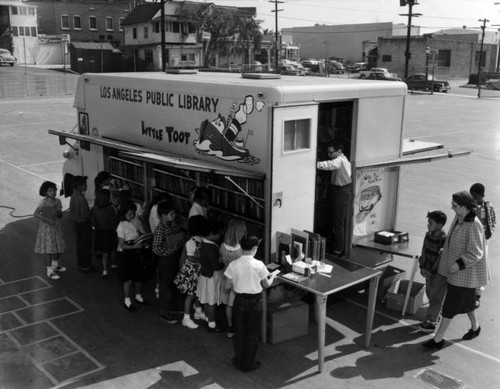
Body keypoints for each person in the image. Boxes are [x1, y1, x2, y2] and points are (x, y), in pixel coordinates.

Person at [423, 191, 490, 350]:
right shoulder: (458, 217)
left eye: (455, 205)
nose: (451, 207)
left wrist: (458, 264)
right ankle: (475, 327)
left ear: (465, 207)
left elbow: (476, 252)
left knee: (449, 307)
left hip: (462, 274)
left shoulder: (474, 224)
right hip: (449, 269)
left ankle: (438, 339)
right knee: (468, 304)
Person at [224, 235, 277, 372]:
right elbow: (266, 284)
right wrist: (273, 277)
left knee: (239, 331)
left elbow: (226, 285)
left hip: (239, 301)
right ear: (255, 248)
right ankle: (249, 363)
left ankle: (238, 360)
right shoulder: (259, 265)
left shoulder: (233, 264)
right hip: (255, 302)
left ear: (241, 247)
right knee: (253, 333)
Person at [316, 139, 352, 256]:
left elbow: (331, 165)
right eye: (328, 153)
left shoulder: (340, 160)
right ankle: (335, 245)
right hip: (337, 191)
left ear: (339, 151)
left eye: (331, 153)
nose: (329, 155)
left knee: (338, 222)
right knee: (334, 220)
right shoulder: (343, 159)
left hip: (341, 192)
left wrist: (316, 164)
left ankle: (338, 249)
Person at [152, 201, 185, 324]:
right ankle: (164, 311)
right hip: (166, 260)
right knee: (165, 286)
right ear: (163, 215)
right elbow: (155, 248)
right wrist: (170, 250)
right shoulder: (160, 229)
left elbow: (179, 236)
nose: (174, 216)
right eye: (171, 214)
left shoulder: (173, 225)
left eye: (174, 213)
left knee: (174, 283)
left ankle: (173, 305)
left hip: (175, 258)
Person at [174, 215, 209, 329]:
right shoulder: (191, 242)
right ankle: (186, 318)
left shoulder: (200, 239)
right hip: (191, 272)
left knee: (197, 293)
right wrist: (203, 260)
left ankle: (198, 311)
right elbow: (190, 258)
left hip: (197, 271)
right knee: (190, 295)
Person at [116, 201, 150, 312]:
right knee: (128, 278)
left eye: (133, 213)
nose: (133, 216)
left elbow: (136, 234)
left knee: (138, 276)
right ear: (124, 214)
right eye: (130, 214)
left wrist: (141, 238)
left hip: (136, 250)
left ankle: (138, 296)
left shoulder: (133, 222)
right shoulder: (121, 226)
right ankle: (127, 301)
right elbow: (122, 245)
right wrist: (135, 246)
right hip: (128, 253)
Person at [418, 210, 447, 333]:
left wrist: (431, 270)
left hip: (438, 273)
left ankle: (431, 322)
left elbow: (441, 258)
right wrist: (422, 266)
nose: (428, 224)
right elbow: (423, 251)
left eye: (430, 222)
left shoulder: (445, 239)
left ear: (440, 226)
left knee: (436, 296)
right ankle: (436, 313)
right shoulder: (428, 235)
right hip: (427, 271)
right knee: (429, 292)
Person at [219, 218, 247, 338]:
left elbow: (220, 259)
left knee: (228, 306)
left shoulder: (222, 246)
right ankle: (240, 327)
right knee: (238, 305)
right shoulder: (241, 250)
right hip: (238, 280)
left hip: (225, 277)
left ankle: (230, 328)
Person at [469, 183, 496, 307]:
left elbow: (493, 220)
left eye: (475, 196)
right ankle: (467, 293)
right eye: (471, 196)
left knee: (481, 267)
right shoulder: (469, 206)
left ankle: (477, 296)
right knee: (468, 266)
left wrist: (488, 234)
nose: (473, 199)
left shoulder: (489, 206)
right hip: (470, 241)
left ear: (482, 196)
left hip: (483, 241)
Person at [34, 181, 66, 280]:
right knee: (48, 249)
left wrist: (58, 211)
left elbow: (60, 216)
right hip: (46, 229)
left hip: (56, 227)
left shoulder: (57, 201)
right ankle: (49, 271)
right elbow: (36, 213)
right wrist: (48, 220)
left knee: (58, 246)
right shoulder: (43, 203)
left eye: (54, 190)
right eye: (50, 191)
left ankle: (55, 264)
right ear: (45, 192)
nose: (53, 192)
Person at [197, 220, 225, 333]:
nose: (219, 236)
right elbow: (217, 266)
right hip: (212, 277)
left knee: (206, 299)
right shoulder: (212, 247)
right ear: (212, 233)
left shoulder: (203, 242)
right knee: (212, 301)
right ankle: (212, 325)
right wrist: (222, 262)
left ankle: (209, 319)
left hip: (204, 275)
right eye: (218, 234)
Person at [91, 189, 117, 279]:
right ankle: (113, 264)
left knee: (104, 253)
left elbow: (93, 221)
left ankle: (104, 271)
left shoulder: (95, 209)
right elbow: (113, 221)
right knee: (113, 249)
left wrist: (97, 227)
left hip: (100, 232)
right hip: (109, 231)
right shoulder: (111, 209)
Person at [69, 176, 93, 272]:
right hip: (83, 224)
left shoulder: (74, 196)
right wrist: (91, 211)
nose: (86, 186)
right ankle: (86, 265)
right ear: (79, 186)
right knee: (86, 246)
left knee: (80, 244)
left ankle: (81, 264)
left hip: (77, 224)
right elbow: (85, 214)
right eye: (84, 184)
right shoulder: (80, 199)